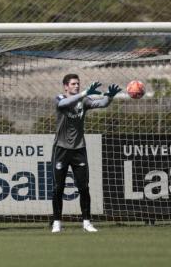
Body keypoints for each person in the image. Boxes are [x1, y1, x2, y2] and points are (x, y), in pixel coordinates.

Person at [51, 73, 121, 233]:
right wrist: (84, 93)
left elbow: (101, 104)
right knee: (58, 188)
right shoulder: (59, 99)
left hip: (79, 149)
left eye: (78, 84)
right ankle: (56, 222)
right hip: (60, 148)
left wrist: (109, 97)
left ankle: (87, 222)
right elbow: (64, 104)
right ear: (66, 86)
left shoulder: (84, 101)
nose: (76, 86)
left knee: (83, 187)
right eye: (73, 84)